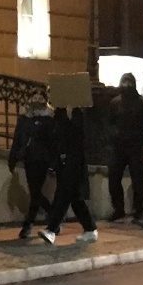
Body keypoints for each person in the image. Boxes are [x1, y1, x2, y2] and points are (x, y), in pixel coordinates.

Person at [39, 105, 98, 245]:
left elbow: (74, 136)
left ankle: (52, 229)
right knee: (75, 198)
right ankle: (90, 228)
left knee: (64, 195)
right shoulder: (59, 116)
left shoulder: (75, 115)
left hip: (73, 162)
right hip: (65, 162)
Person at [9, 97, 59, 239]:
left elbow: (52, 142)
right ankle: (53, 216)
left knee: (35, 192)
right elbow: (18, 139)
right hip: (29, 159)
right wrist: (13, 158)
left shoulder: (48, 120)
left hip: (42, 160)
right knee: (35, 192)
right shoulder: (25, 119)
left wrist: (53, 161)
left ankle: (29, 224)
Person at [107, 73, 143, 222]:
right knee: (114, 178)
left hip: (134, 146)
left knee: (137, 179)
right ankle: (119, 209)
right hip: (121, 146)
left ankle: (139, 210)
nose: (126, 86)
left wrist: (142, 140)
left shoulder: (142, 103)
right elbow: (111, 123)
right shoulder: (115, 103)